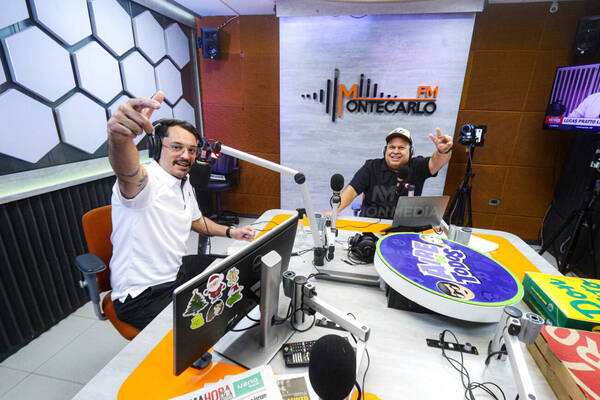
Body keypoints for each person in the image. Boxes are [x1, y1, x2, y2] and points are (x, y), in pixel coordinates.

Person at [106, 91, 255, 330]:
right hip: (143, 295)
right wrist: (119, 139)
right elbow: (127, 173)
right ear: (157, 148)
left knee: (238, 272)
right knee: (209, 327)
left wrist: (231, 232)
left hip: (177, 273)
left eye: (192, 150)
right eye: (176, 147)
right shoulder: (145, 182)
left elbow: (196, 221)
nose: (186, 156)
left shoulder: (184, 182)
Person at [337, 127, 453, 219]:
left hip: (403, 229)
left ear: (411, 151)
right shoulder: (371, 166)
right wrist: (334, 211)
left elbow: (436, 162)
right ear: (385, 150)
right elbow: (351, 191)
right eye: (392, 147)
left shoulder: (417, 166)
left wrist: (443, 151)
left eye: (401, 147)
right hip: (370, 227)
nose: (395, 151)